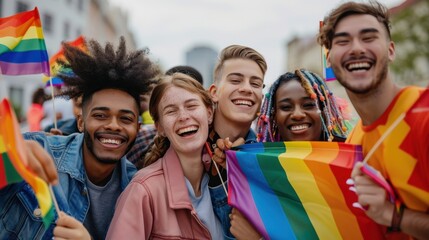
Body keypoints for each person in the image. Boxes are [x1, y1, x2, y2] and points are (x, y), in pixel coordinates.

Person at [0, 36, 160, 239]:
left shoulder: (137, 189)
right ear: (81, 122)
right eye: (100, 115)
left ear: (138, 128)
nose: (113, 125)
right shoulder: (38, 151)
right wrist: (7, 159)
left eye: (125, 118)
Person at [318, 1, 429, 239]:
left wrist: (394, 216)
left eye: (368, 38)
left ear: (390, 50)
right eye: (343, 41)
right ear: (329, 59)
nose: (356, 48)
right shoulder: (353, 142)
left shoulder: (424, 116)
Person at [107, 73, 224, 239]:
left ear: (209, 113)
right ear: (159, 127)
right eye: (171, 111)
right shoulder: (143, 190)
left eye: (191, 106)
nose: (184, 117)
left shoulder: (226, 181)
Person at [256, 68, 350, 142]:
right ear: (273, 116)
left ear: (326, 111)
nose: (298, 115)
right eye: (286, 107)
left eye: (308, 105)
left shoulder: (354, 158)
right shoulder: (255, 163)